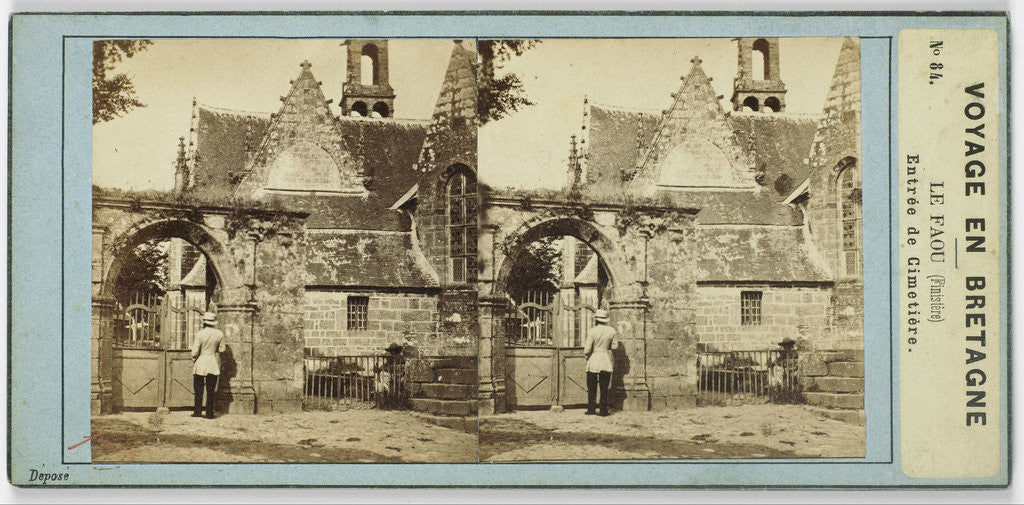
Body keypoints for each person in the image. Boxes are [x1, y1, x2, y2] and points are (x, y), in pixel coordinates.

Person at [191, 311, 226, 419]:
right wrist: (214, 351)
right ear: (214, 322)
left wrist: (194, 359)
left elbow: (195, 351)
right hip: (212, 363)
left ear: (204, 322)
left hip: (201, 362)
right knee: (210, 390)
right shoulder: (219, 334)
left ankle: (197, 412)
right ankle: (209, 413)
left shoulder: (200, 333)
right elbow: (222, 349)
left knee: (198, 389)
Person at [583, 309, 617, 416]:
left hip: (594, 359)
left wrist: (587, 356)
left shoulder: (593, 331)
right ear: (605, 320)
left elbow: (587, 349)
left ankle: (591, 409)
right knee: (604, 387)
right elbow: (615, 346)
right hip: (605, 359)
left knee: (592, 386)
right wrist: (606, 348)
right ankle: (603, 410)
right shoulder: (612, 331)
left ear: (596, 320)